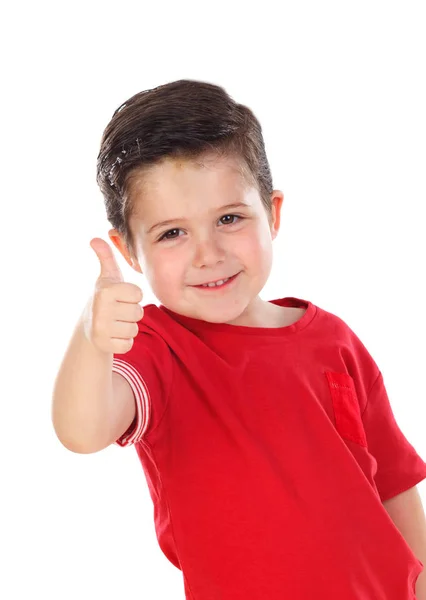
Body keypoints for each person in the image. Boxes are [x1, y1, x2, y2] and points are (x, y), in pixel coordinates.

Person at [52, 79, 426, 599]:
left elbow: (394, 486)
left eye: (229, 219)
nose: (208, 254)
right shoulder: (157, 348)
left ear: (271, 214)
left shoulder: (335, 340)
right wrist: (92, 338)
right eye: (172, 233)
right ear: (131, 251)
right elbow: (82, 430)